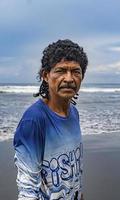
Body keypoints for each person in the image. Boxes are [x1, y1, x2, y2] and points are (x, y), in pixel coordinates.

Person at [13, 39, 88, 200]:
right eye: (61, 71)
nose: (69, 78)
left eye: (76, 71)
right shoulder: (33, 120)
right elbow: (27, 189)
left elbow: (75, 167)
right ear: (45, 76)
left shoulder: (74, 113)